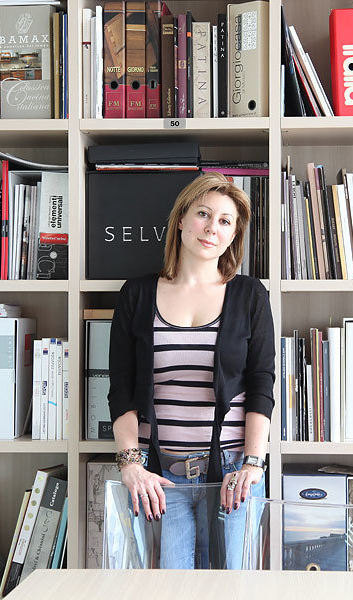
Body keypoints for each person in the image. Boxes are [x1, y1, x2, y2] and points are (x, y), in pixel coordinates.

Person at [107, 171, 276, 569]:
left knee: (234, 589)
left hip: (233, 475)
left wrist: (253, 464)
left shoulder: (250, 295)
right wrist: (131, 465)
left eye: (225, 221)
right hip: (158, 478)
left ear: (233, 235)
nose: (212, 228)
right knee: (167, 590)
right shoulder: (137, 294)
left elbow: (261, 385)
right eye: (203, 213)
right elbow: (121, 388)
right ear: (181, 219)